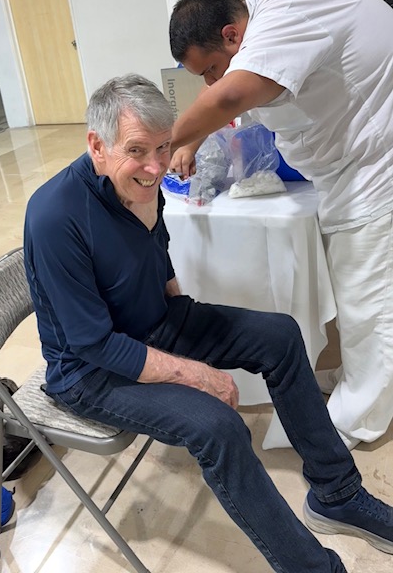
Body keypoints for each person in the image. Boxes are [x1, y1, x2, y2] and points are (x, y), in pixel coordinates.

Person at [23, 73, 393, 573]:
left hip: (153, 323)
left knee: (281, 337)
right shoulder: (55, 215)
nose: (155, 166)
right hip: (89, 371)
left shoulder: (139, 183)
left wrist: (187, 324)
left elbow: (157, 256)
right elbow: (92, 344)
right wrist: (195, 373)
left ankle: (338, 492)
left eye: (163, 147)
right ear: (97, 145)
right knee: (218, 427)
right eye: (137, 151)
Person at [168, 0, 393, 451]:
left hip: (375, 167)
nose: (210, 82)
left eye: (211, 69)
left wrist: (158, 143)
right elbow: (234, 103)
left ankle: (357, 419)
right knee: (354, 291)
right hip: (344, 169)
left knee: (370, 299)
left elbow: (231, 96)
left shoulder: (285, 14)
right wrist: (192, 141)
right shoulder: (257, 22)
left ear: (232, 35)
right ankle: (357, 377)